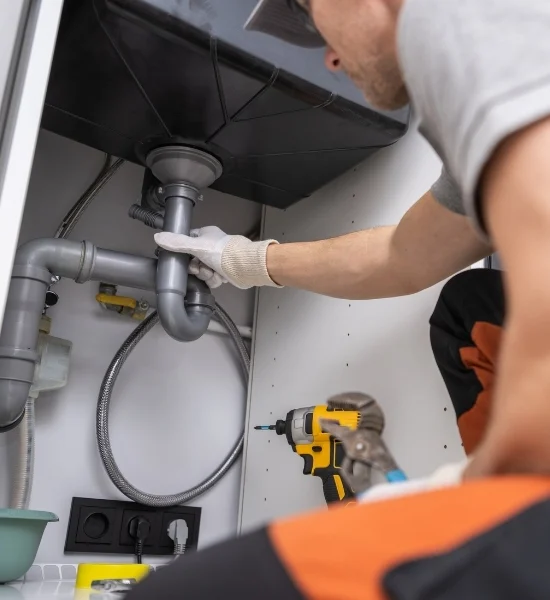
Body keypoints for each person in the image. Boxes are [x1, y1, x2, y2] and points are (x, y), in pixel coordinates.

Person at [127, 1, 550, 597]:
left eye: (310, 15)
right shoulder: (505, 93)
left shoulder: (454, 17)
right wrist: (245, 260)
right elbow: (402, 256)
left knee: (179, 594)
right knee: (469, 309)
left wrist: (463, 493)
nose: (327, 58)